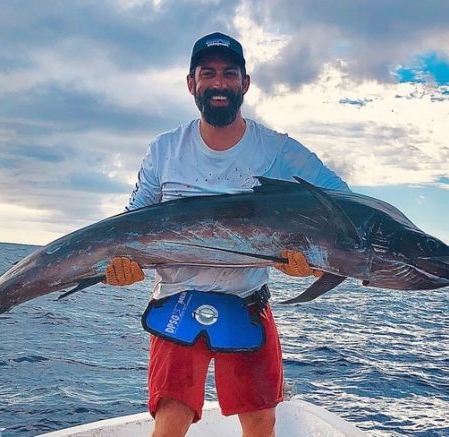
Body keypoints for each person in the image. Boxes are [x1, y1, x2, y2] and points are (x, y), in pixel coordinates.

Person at [105, 32, 350, 437]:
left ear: (245, 83)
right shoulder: (165, 150)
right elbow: (131, 223)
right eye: (208, 73)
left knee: (260, 418)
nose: (219, 83)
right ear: (192, 83)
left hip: (247, 298)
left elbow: (340, 202)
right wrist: (121, 266)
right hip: (176, 297)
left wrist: (313, 254)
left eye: (229, 74)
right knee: (171, 417)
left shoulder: (277, 150)